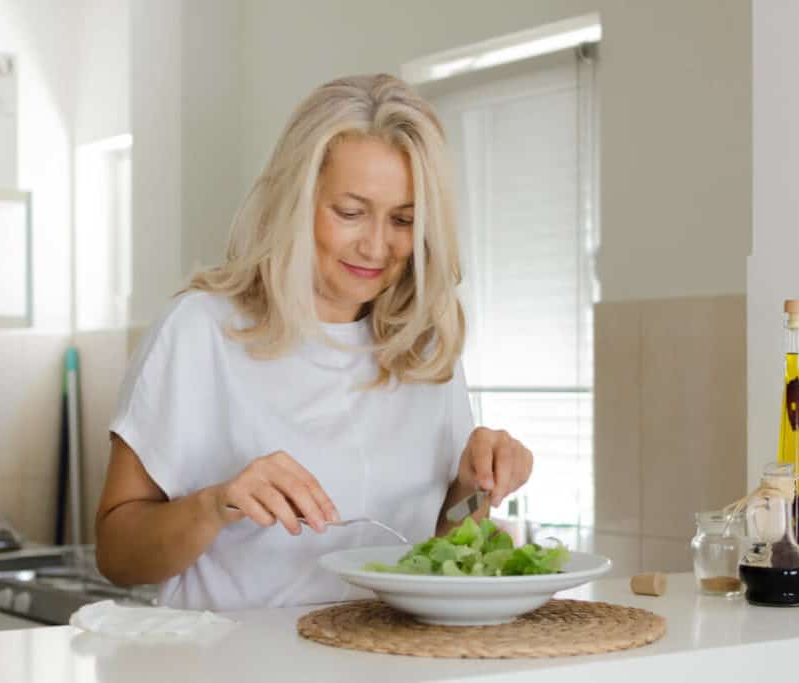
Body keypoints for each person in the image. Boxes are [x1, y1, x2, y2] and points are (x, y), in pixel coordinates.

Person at [95, 74, 533, 611]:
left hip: (386, 664)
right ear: (295, 202)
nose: (376, 245)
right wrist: (216, 505)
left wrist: (473, 491)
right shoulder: (201, 331)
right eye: (350, 213)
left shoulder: (424, 349)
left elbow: (436, 545)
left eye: (403, 220)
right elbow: (116, 554)